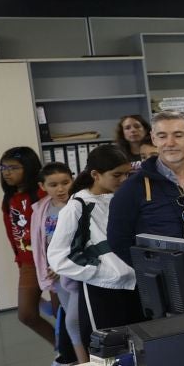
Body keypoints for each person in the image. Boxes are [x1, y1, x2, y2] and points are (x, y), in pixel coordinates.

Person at [106, 111, 184, 292]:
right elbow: (118, 239)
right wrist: (151, 270)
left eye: (178, 135)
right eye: (162, 136)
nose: (170, 143)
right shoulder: (133, 187)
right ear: (153, 139)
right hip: (160, 284)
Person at [48, 145, 139, 340]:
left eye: (127, 174)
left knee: (139, 347)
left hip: (135, 287)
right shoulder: (76, 207)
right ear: (96, 174)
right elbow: (59, 257)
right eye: (117, 175)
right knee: (110, 352)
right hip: (102, 291)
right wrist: (102, 272)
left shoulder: (124, 198)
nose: (124, 180)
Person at [0, 146, 55, 345]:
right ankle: (61, 349)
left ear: (29, 168)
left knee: (61, 313)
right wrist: (19, 260)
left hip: (52, 263)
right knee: (26, 314)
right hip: (28, 263)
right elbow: (12, 233)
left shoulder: (43, 194)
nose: (6, 172)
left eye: (13, 167)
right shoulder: (10, 199)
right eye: (3, 167)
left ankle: (70, 353)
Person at [31, 161, 76, 364]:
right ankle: (72, 358)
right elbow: (40, 242)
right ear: (43, 187)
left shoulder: (77, 204)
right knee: (67, 314)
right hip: (54, 271)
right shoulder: (42, 209)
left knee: (75, 318)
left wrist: (62, 266)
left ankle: (78, 358)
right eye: (53, 184)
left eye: (65, 182)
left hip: (73, 269)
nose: (60, 189)